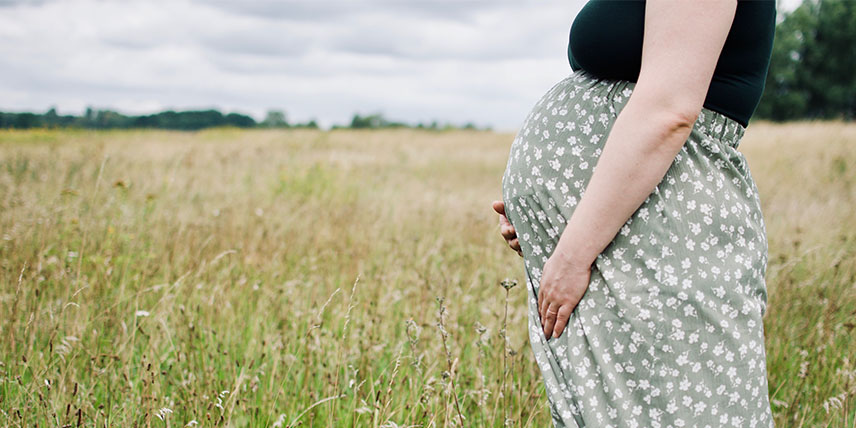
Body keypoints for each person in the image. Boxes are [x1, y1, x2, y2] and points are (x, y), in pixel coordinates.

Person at [491, 0, 777, 426]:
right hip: (620, 242)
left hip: (661, 240)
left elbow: (668, 112)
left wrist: (572, 253)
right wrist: (546, 220)